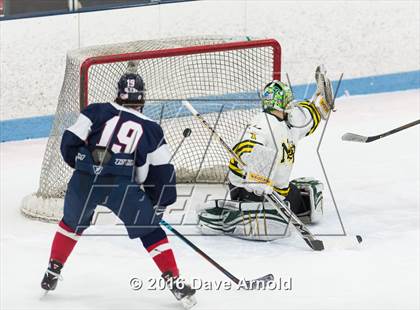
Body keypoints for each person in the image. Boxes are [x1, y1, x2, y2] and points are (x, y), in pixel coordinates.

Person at [41, 73, 196, 308]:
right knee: (151, 231)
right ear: (142, 98)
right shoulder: (151, 128)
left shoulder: (95, 111)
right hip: (121, 186)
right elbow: (163, 172)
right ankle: (175, 282)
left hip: (84, 180)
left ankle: (53, 270)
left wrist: (87, 168)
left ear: (118, 93)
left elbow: (68, 143)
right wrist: (158, 202)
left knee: (71, 223)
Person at [198, 77, 329, 241]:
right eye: (288, 100)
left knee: (304, 201)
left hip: (277, 192)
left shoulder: (292, 120)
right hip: (249, 190)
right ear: (282, 102)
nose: (291, 104)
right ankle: (230, 215)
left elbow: (309, 115)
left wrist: (322, 101)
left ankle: (253, 213)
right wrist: (255, 179)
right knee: (269, 222)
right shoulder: (262, 123)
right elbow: (246, 149)